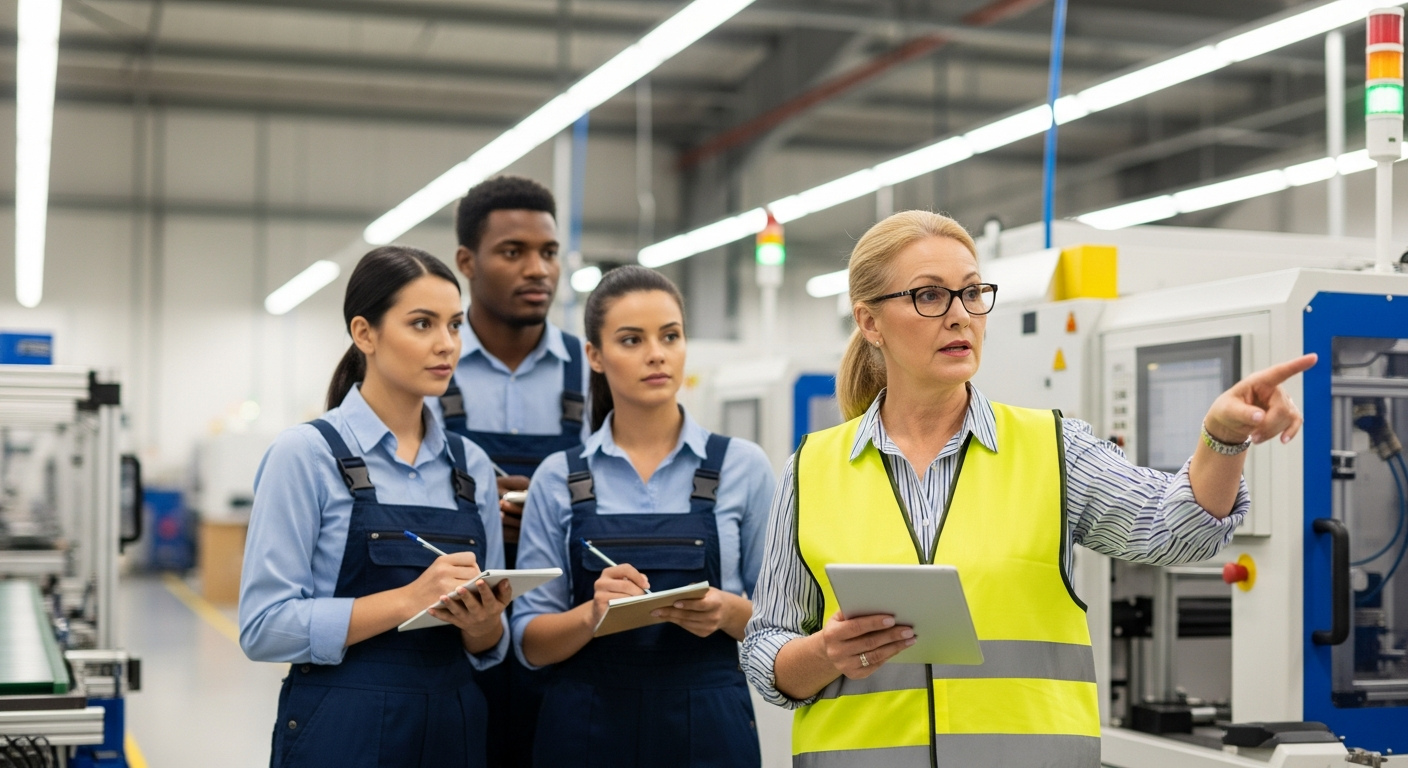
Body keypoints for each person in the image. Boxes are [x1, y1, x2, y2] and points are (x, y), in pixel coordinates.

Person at [740, 210, 1315, 768]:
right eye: (930, 295)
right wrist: (823, 654)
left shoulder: (1053, 449)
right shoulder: (813, 467)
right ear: (870, 323)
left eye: (972, 293)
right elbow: (767, 647)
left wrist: (1221, 439)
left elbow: (1175, 532)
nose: (961, 315)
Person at [240, 246, 511, 768]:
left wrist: (483, 625)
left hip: (454, 730)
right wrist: (408, 600)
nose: (446, 344)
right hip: (343, 732)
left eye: (454, 325)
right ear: (365, 333)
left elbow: (489, 645)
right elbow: (264, 626)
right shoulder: (306, 455)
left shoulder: (471, 465)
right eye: (422, 324)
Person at [513, 265, 775, 768]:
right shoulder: (559, 478)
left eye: (670, 336)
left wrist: (727, 610)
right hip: (585, 730)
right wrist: (593, 615)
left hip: (711, 727)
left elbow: (786, 623)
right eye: (631, 339)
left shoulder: (742, 466)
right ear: (594, 355)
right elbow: (529, 642)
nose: (656, 353)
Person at [427, 175, 589, 768]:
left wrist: (548, 504)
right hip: (453, 633)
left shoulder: (591, 367)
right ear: (467, 262)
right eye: (513, 252)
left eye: (548, 253)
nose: (538, 270)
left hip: (562, 627)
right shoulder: (430, 366)